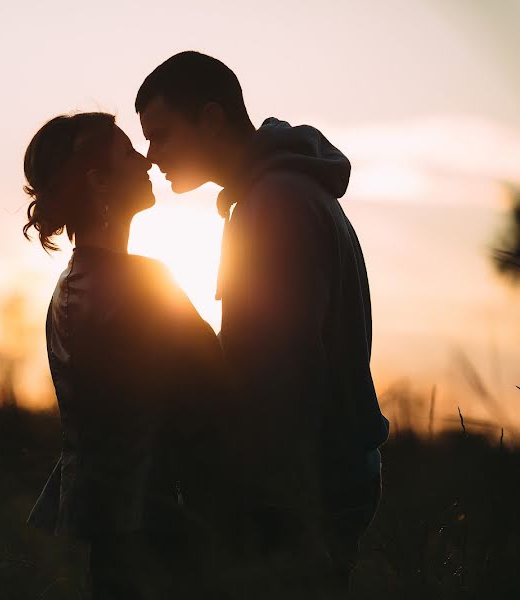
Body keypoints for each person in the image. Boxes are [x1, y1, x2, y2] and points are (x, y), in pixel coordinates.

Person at [136, 51, 390, 594]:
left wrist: (265, 500)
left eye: (161, 135)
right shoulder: (276, 195)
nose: (151, 156)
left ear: (211, 117)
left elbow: (284, 368)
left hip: (304, 484)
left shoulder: (277, 203)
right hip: (320, 471)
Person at [22, 112, 225, 599]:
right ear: (99, 183)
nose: (148, 161)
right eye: (128, 153)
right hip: (166, 536)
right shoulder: (142, 285)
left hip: (111, 534)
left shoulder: (63, 292)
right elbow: (219, 394)